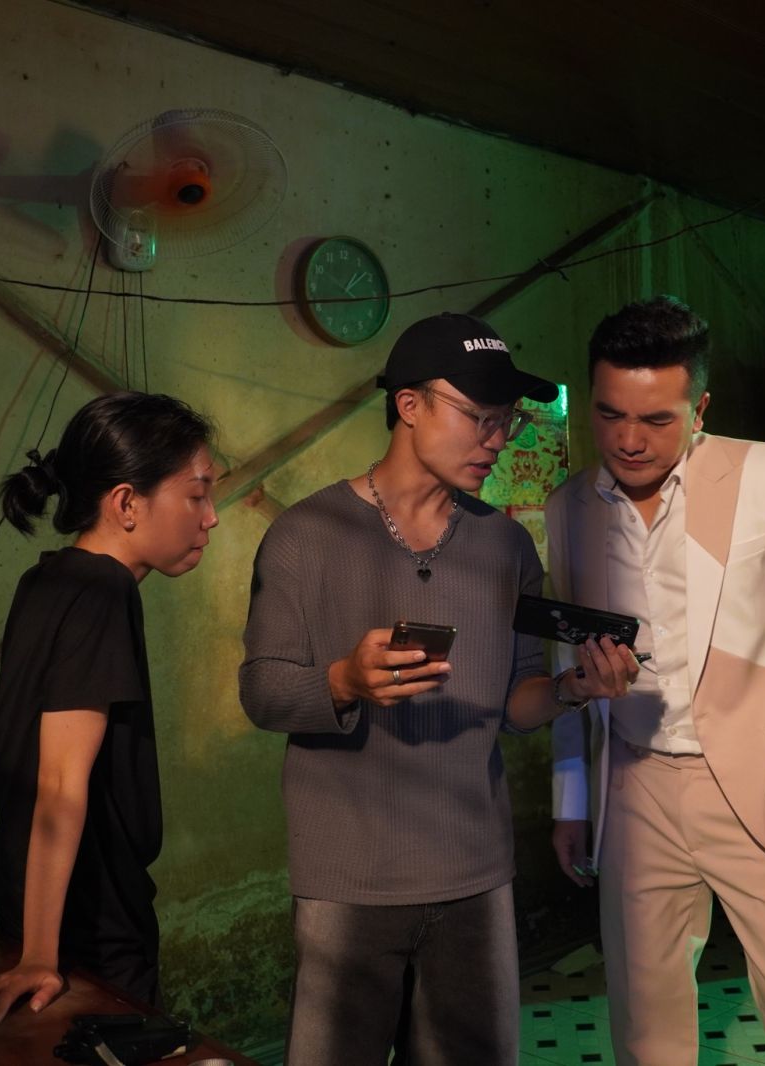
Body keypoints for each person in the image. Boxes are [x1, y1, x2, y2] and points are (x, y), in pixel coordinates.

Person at [239, 312, 635, 1066]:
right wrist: (344, 681)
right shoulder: (305, 535)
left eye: (506, 421)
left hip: (474, 874)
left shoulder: (506, 547)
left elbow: (515, 701)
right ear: (409, 405)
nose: (497, 439)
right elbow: (262, 691)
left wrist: (572, 688)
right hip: (349, 882)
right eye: (479, 417)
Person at [548, 296, 765, 1065]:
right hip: (635, 787)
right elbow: (565, 662)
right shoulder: (568, 508)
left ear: (700, 409)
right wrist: (572, 798)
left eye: (656, 420)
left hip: (763, 778)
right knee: (643, 1015)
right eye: (609, 414)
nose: (628, 440)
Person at [0, 391, 219, 1027]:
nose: (212, 518)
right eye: (197, 495)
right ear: (126, 503)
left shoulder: (48, 579)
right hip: (88, 932)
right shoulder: (102, 592)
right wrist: (41, 958)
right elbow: (61, 782)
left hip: (34, 909)